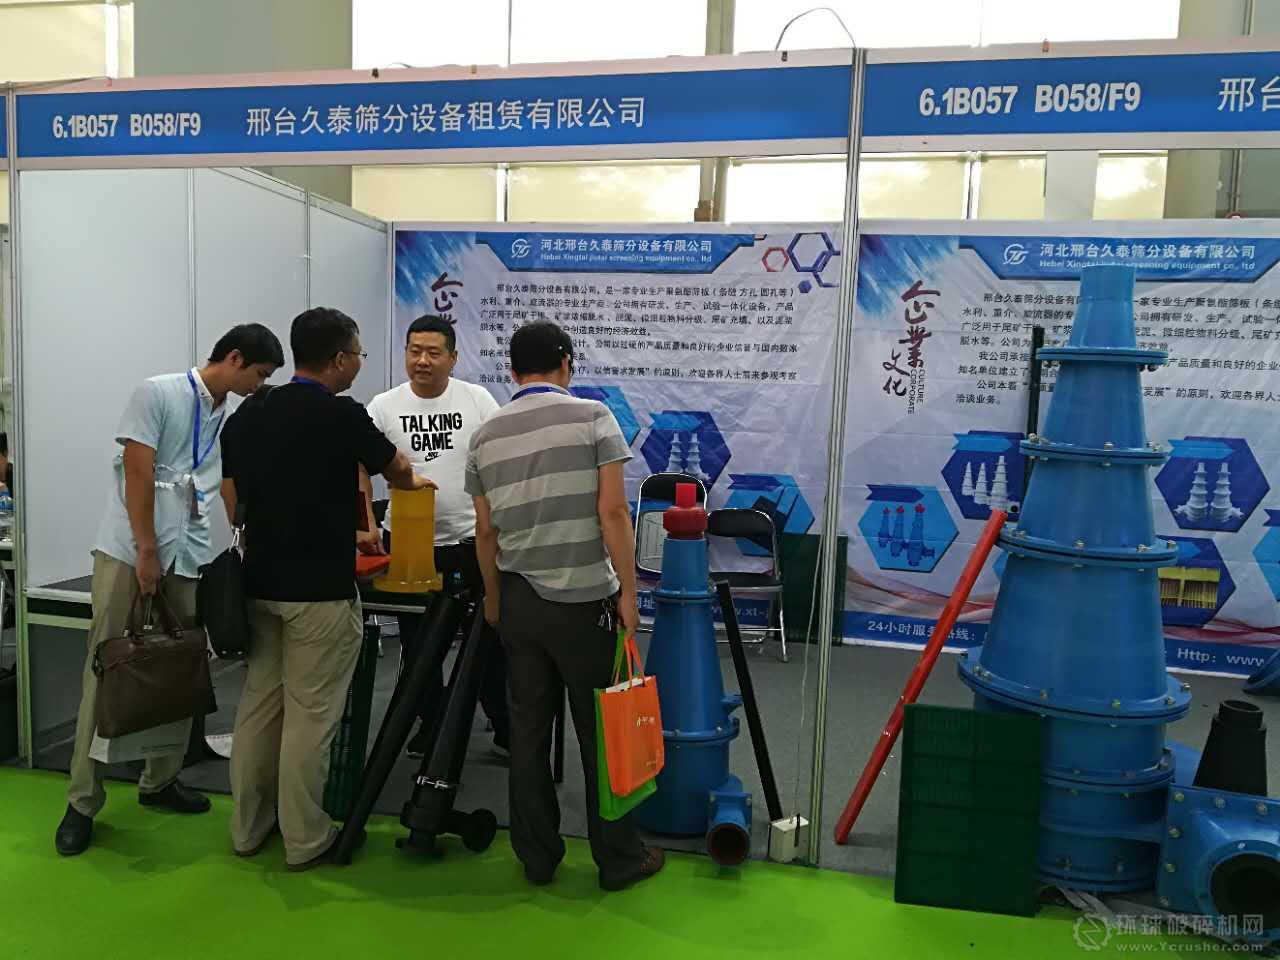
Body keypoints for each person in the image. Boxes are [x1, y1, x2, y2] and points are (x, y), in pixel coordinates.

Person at [54, 324, 284, 857]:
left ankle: (159, 780)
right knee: (107, 668)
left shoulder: (224, 411)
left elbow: (216, 481)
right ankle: (82, 801)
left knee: (180, 665)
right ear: (234, 358)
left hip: (190, 552)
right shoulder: (157, 392)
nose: (259, 384)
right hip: (130, 552)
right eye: (258, 373)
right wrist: (146, 550)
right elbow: (138, 473)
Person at [222, 306, 432, 871]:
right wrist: (412, 481)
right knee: (310, 717)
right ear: (339, 359)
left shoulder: (250, 410)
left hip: (258, 583)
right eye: (359, 354)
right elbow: (397, 470)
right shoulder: (342, 414)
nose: (359, 363)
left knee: (259, 708)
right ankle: (306, 838)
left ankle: (248, 828)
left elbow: (232, 496)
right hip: (320, 590)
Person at [467, 320, 664, 892]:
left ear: (512, 372)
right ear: (566, 364)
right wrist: (629, 594)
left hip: (518, 600)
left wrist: (495, 599)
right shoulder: (593, 417)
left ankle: (537, 857)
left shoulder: (486, 434)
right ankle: (619, 860)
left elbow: (485, 532)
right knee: (603, 730)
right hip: (584, 600)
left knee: (528, 732)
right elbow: (613, 513)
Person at [360, 314, 507, 759]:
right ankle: (431, 722)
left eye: (432, 352)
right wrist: (366, 521)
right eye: (414, 351)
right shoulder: (383, 406)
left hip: (468, 542)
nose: (422, 360)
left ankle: (504, 725)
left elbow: (501, 459)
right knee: (419, 645)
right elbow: (358, 465)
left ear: (453, 358)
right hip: (408, 546)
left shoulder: (477, 400)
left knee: (487, 640)